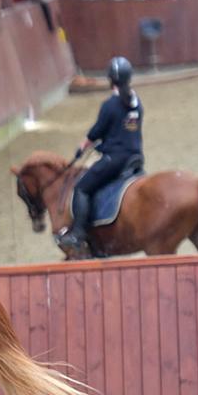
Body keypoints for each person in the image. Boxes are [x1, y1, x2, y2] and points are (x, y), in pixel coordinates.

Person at [59, 56, 144, 252]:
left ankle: (79, 233)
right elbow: (122, 129)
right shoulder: (136, 103)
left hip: (115, 159)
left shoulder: (110, 105)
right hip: (135, 157)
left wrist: (83, 146)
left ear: (110, 79)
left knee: (81, 188)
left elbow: (97, 131)